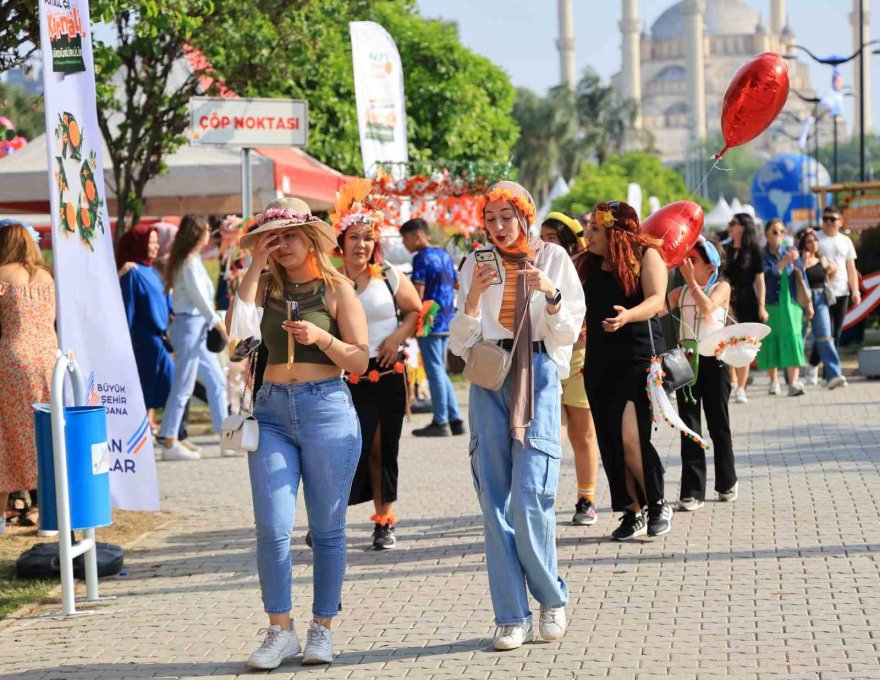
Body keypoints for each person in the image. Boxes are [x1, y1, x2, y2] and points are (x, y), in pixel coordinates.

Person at [228, 197, 368, 669]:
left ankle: (321, 629)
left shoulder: (337, 289)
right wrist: (255, 264)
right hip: (270, 413)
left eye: (289, 235)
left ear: (310, 239)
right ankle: (279, 630)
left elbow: (360, 360)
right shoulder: (263, 285)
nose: (281, 244)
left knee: (327, 529)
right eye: (272, 237)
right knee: (272, 527)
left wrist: (322, 338)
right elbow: (235, 336)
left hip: (327, 408)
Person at [450, 181, 585, 651]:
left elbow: (568, 330)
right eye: (491, 219)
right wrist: (473, 299)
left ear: (525, 217)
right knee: (493, 500)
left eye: (507, 217)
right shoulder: (474, 262)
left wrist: (551, 295)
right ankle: (511, 615)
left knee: (531, 495)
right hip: (489, 375)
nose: (499, 227)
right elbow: (459, 341)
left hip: (538, 373)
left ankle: (551, 598)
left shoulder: (553, 258)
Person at [333, 180, 421, 549]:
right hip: (343, 379)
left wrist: (395, 338)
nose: (361, 245)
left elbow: (415, 311)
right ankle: (329, 521)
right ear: (341, 241)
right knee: (342, 451)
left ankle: (384, 522)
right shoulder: (329, 280)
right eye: (354, 237)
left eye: (368, 238)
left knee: (382, 449)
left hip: (386, 374)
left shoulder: (389, 275)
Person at [581, 201, 672, 541]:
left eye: (595, 228)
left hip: (637, 356)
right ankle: (631, 510)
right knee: (610, 440)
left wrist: (627, 316)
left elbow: (657, 301)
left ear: (615, 232)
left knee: (632, 438)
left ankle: (658, 503)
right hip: (599, 360)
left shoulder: (647, 256)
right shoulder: (587, 264)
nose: (588, 234)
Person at [665, 238, 737, 511]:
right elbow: (658, 306)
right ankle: (693, 491)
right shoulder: (680, 292)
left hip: (715, 361)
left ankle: (727, 482)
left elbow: (708, 308)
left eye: (692, 260)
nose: (686, 264)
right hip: (687, 363)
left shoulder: (721, 287)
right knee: (689, 427)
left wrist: (691, 282)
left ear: (710, 267)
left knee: (719, 425)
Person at [539, 212, 600, 526]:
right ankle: (542, 498)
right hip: (546, 358)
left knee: (582, 434)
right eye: (542, 238)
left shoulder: (586, 268)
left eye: (553, 238)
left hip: (580, 358)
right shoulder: (535, 267)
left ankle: (586, 499)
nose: (546, 245)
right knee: (551, 434)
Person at [158, 214, 230, 461]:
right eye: (206, 230)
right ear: (197, 234)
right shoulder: (187, 263)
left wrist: (213, 322)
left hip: (197, 327)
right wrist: (218, 324)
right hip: (189, 325)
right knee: (184, 385)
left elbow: (204, 298)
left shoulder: (193, 260)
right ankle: (169, 440)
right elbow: (200, 299)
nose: (209, 233)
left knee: (217, 380)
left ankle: (226, 439)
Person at [0, 222, 57, 533]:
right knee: (46, 434)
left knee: (7, 437)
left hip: (14, 360)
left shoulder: (3, 276)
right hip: (48, 360)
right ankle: (49, 512)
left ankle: (1, 517)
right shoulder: (47, 277)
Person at [400, 217, 464, 437]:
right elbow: (457, 283)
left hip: (428, 318)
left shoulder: (421, 258)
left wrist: (407, 321)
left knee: (434, 370)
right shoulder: (444, 254)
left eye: (405, 239)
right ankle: (455, 418)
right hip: (447, 317)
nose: (404, 244)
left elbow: (417, 294)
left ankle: (441, 420)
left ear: (417, 236)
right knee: (440, 370)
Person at [758, 219, 813, 397]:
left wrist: (809, 303)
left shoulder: (790, 251)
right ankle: (773, 381)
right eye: (775, 231)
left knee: (793, 338)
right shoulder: (762, 255)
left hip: (792, 302)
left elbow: (802, 278)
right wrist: (783, 262)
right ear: (766, 234)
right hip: (771, 304)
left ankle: (793, 382)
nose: (779, 235)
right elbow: (764, 278)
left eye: (782, 231)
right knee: (772, 340)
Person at [808, 206, 861, 384]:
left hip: (841, 291)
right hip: (821, 292)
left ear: (840, 222)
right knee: (825, 332)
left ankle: (827, 374)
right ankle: (816, 365)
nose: (828, 222)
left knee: (835, 333)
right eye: (825, 219)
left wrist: (855, 290)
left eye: (832, 219)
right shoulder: (815, 237)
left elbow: (851, 268)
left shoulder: (845, 240)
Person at [722, 213, 766, 403]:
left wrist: (762, 305)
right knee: (728, 340)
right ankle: (733, 380)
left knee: (745, 343)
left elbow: (760, 280)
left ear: (744, 227)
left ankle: (741, 387)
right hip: (726, 299)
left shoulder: (754, 250)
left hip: (747, 299)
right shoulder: (725, 248)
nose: (730, 226)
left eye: (733, 223)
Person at [799, 228, 847, 390]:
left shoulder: (822, 259)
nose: (814, 244)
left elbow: (828, 280)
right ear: (804, 245)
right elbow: (799, 280)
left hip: (821, 299)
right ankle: (793, 376)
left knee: (826, 336)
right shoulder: (800, 260)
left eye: (815, 240)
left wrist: (831, 271)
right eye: (809, 241)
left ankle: (834, 374)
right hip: (804, 299)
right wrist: (803, 264)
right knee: (799, 336)